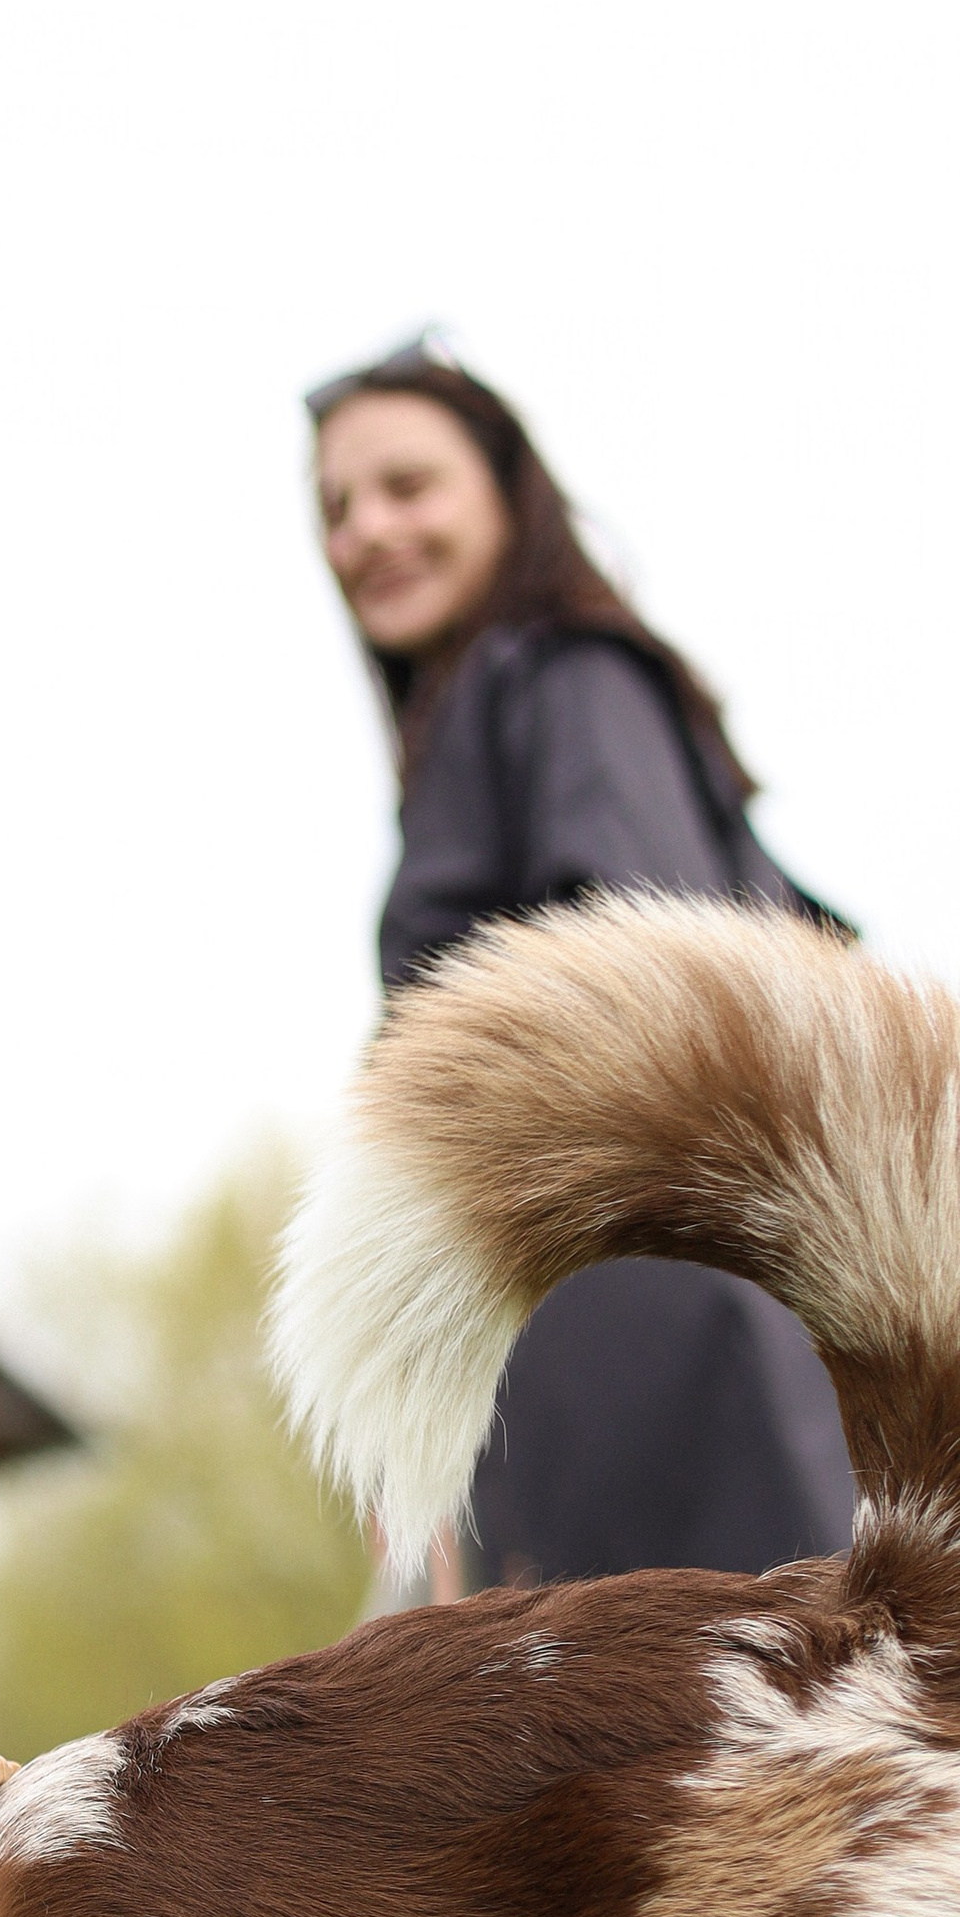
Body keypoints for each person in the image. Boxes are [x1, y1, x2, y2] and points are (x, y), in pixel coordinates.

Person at [308, 339, 854, 1589]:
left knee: (697, 1687)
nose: (366, 530)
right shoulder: (495, 704)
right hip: (576, 1331)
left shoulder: (565, 672)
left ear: (508, 494)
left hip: (652, 1341)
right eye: (335, 508)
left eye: (407, 486)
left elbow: (648, 965)